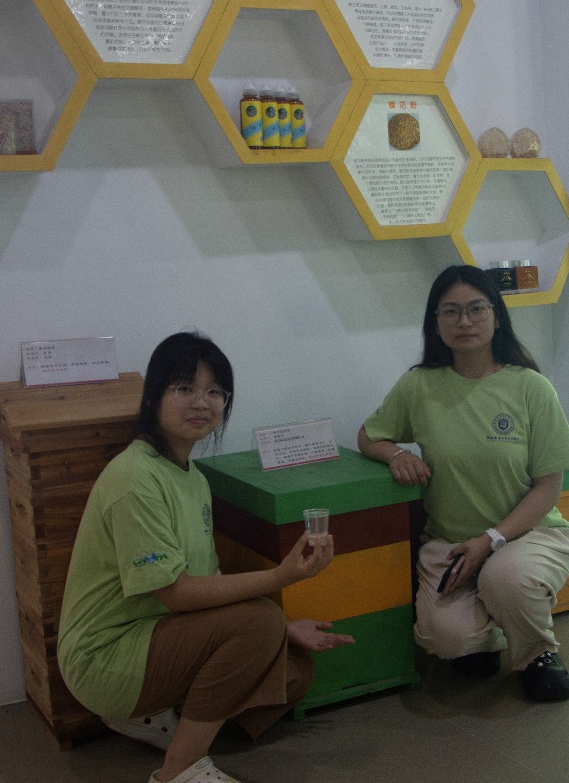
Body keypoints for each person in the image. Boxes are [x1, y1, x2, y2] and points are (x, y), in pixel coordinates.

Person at [59, 332, 354, 783]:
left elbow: (209, 576)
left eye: (215, 392)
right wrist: (281, 579)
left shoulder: (192, 476)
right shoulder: (134, 478)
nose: (202, 402)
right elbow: (177, 594)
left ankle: (165, 714)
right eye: (184, 388)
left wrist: (285, 627)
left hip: (161, 634)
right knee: (258, 625)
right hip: (107, 655)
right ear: (153, 397)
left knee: (294, 670)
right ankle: (178, 769)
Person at [357, 265, 569, 702]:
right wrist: (398, 455)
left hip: (528, 536)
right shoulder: (419, 385)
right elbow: (369, 435)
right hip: (451, 542)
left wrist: (491, 540)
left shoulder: (531, 387)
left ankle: (537, 653)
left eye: (477, 309)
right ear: (436, 323)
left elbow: (548, 487)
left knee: (505, 579)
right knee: (447, 640)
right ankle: (486, 638)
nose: (464, 321)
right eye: (451, 312)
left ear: (497, 317)